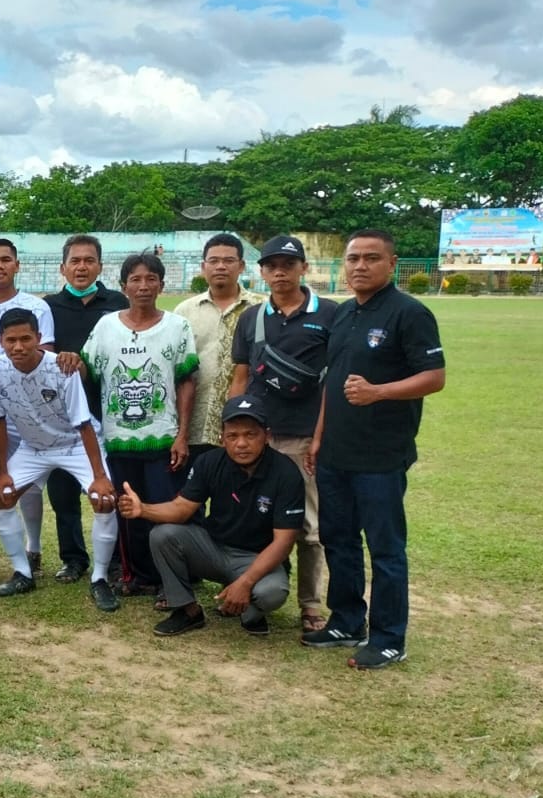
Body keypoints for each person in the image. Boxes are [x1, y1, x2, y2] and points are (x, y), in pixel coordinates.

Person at [304, 228, 445, 670]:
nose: (360, 266)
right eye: (353, 258)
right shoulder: (344, 315)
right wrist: (320, 436)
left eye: (370, 258)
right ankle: (347, 620)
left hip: (381, 457)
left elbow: (434, 376)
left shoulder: (410, 313)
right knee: (337, 539)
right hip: (335, 454)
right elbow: (332, 382)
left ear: (392, 263)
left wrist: (378, 392)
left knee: (385, 550)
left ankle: (388, 638)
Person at [120, 395, 303, 637]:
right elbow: (181, 509)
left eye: (250, 435)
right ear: (221, 438)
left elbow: (283, 542)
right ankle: (187, 611)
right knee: (163, 535)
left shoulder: (287, 473)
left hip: (255, 557)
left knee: (272, 592)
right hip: (213, 549)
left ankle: (250, 612)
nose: (241, 444)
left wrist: (246, 583)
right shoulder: (209, 462)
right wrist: (143, 509)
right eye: (233, 436)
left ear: (266, 435)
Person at [229, 235, 338, 635]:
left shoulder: (328, 314)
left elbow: (332, 383)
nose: (279, 271)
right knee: (258, 522)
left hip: (303, 439)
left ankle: (310, 605)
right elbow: (240, 377)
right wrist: (232, 431)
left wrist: (320, 436)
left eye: (288, 265)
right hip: (258, 440)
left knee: (310, 529)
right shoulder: (251, 318)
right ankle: (258, 595)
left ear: (303, 269)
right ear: (261, 272)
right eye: (271, 265)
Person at [0, 308, 118, 606]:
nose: (18, 346)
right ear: (0, 340)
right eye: (10, 340)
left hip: (75, 444)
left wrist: (100, 478)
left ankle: (100, 578)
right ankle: (22, 573)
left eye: (26, 338)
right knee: (2, 496)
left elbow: (83, 423)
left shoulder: (61, 368)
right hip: (34, 447)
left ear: (39, 338)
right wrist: (2, 472)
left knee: (103, 501)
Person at [80, 252, 198, 602]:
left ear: (161, 284)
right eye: (136, 279)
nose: (143, 286)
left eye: (151, 279)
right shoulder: (106, 326)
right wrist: (68, 359)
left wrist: (181, 435)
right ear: (123, 286)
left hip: (162, 438)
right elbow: (89, 370)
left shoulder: (177, 327)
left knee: (165, 511)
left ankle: (170, 581)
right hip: (119, 440)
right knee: (128, 512)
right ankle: (137, 575)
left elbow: (186, 381)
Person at [0, 237, 58, 581]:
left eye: (6, 260)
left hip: (28, 411)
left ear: (17, 265)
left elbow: (45, 354)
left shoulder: (37, 307)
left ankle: (34, 548)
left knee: (29, 482)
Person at [41, 235, 128, 584]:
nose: (81, 267)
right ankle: (73, 558)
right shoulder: (49, 306)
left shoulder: (118, 302)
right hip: (63, 416)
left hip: (110, 410)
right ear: (63, 268)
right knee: (63, 493)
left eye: (88, 260)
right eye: (74, 261)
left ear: (99, 266)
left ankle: (119, 559)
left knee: (111, 488)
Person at [175, 234, 263, 464]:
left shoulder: (261, 309)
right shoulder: (184, 312)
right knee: (191, 495)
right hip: (193, 425)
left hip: (244, 429)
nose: (221, 266)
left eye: (228, 260)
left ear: (242, 266)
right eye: (213, 261)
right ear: (203, 267)